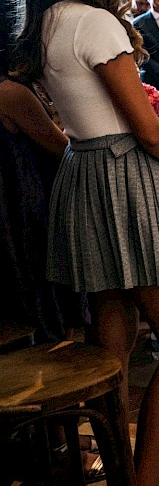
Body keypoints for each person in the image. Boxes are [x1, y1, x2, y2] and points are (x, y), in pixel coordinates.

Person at [11, 0, 159, 486]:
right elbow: (143, 125)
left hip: (83, 172)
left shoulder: (43, 19)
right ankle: (144, 479)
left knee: (110, 336)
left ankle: (121, 468)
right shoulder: (95, 22)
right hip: (123, 174)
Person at [0, 74, 86, 341]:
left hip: (13, 213)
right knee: (49, 314)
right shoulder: (10, 93)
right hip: (24, 213)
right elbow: (63, 151)